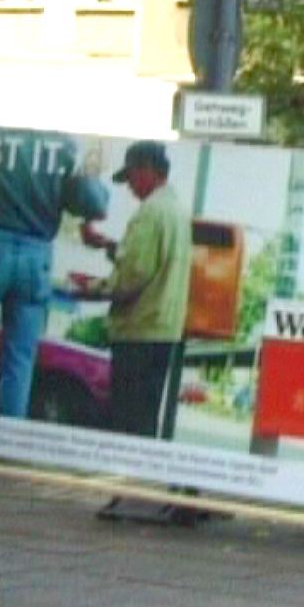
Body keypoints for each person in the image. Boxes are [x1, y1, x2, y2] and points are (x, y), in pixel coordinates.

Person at [0, 126, 108, 418]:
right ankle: (4, 437)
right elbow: (94, 204)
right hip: (35, 255)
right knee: (19, 358)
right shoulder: (64, 144)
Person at [72, 140, 192, 439]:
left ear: (147, 170)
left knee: (126, 422)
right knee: (144, 421)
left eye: (131, 178)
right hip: (163, 330)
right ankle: (133, 481)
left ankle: (121, 483)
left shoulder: (150, 212)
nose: (130, 188)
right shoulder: (176, 209)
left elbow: (132, 276)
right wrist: (107, 245)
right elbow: (152, 262)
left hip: (139, 332)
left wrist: (93, 289)